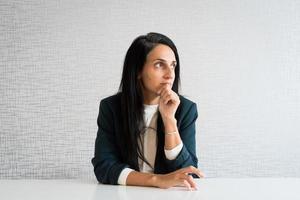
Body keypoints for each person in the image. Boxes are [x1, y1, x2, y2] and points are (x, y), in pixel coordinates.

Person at [91, 32, 204, 190]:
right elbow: (104, 167)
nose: (170, 75)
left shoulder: (186, 109)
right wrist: (156, 180)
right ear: (138, 70)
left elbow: (189, 173)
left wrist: (169, 119)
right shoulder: (111, 107)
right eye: (159, 64)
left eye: (173, 65)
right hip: (124, 194)